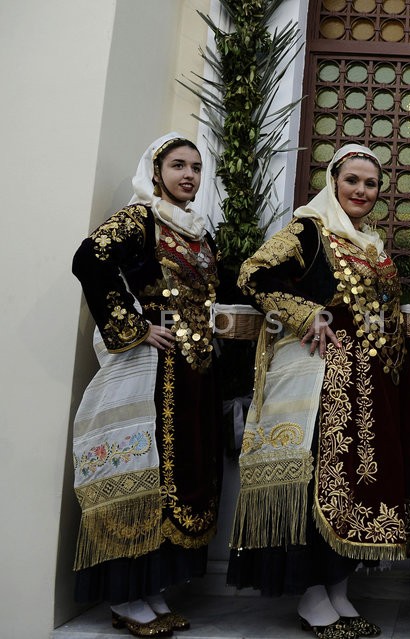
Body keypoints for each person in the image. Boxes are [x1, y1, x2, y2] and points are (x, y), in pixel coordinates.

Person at [226, 144, 409, 639]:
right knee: (317, 480)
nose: (362, 191)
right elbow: (253, 274)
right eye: (353, 180)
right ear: (333, 181)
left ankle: (337, 590)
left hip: (368, 384)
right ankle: (311, 597)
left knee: (355, 481)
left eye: (371, 184)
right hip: (320, 377)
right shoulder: (308, 229)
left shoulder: (371, 243)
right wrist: (308, 314)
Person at [71, 133, 222, 637]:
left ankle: (151, 587)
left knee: (180, 473)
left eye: (196, 168)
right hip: (153, 371)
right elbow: (89, 259)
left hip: (193, 370)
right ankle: (125, 596)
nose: (188, 176)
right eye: (178, 165)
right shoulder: (140, 219)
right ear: (156, 171)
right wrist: (135, 327)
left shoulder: (200, 230)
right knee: (147, 469)